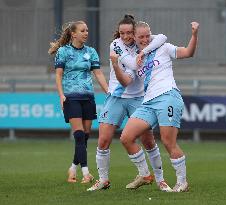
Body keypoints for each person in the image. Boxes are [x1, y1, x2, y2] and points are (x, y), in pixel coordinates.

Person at [87, 15, 172, 192]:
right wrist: (144, 52)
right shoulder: (116, 45)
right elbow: (133, 64)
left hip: (139, 98)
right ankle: (103, 179)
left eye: (129, 33)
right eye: (122, 33)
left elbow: (163, 37)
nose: (125, 36)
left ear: (135, 32)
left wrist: (143, 50)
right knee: (103, 140)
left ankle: (160, 180)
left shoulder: (142, 42)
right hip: (116, 97)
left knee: (149, 141)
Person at [116, 21, 199, 192]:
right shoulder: (134, 59)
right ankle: (145, 174)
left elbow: (188, 53)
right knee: (126, 137)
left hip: (168, 96)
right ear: (134, 37)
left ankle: (182, 182)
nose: (145, 39)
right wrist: (115, 65)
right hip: (148, 103)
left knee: (168, 142)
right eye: (141, 37)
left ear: (151, 34)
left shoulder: (163, 47)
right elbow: (126, 80)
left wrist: (194, 35)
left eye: (148, 35)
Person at [48, 21, 108, 184]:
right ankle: (86, 172)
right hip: (71, 97)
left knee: (84, 137)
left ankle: (73, 168)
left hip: (88, 97)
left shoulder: (91, 52)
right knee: (79, 135)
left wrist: (108, 91)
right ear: (73, 34)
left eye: (87, 30)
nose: (86, 33)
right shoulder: (63, 51)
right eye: (82, 30)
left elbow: (98, 73)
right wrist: (61, 95)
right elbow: (59, 75)